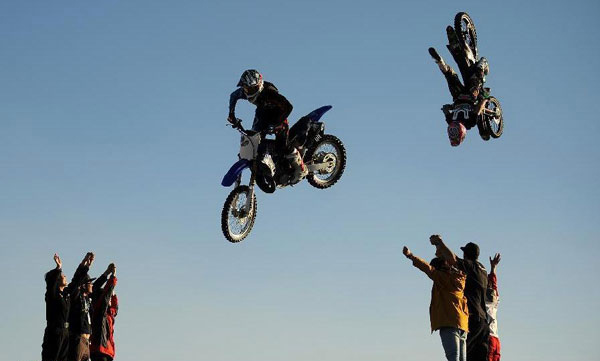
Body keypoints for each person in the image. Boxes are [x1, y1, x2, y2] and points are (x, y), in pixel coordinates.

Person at [228, 69, 307, 183]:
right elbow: (233, 96)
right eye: (246, 88)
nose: (248, 91)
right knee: (253, 140)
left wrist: (277, 124)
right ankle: (265, 164)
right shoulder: (244, 92)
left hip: (278, 115)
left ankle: (301, 168)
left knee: (282, 147)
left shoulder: (270, 93)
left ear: (259, 85)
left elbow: (288, 107)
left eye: (251, 88)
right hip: (262, 113)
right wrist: (231, 114)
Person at [402, 243, 469, 361]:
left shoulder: (442, 278)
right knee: (462, 359)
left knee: (453, 357)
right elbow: (450, 258)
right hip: (463, 324)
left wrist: (411, 256)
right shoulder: (459, 277)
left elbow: (427, 268)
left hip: (449, 322)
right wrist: (440, 250)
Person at [428, 23, 491, 146]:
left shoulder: (469, 123)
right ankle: (440, 62)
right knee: (450, 76)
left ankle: (482, 64)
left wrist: (484, 99)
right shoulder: (451, 120)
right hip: (457, 96)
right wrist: (447, 108)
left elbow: (478, 110)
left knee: (477, 78)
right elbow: (446, 110)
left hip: (469, 94)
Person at [430, 235, 489, 361]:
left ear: (466, 255)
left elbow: (453, 259)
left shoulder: (470, 267)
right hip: (484, 323)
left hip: (472, 319)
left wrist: (440, 243)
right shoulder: (483, 270)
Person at [42, 253, 93, 361]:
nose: (65, 276)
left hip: (65, 334)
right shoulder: (52, 295)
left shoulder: (66, 295)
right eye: (62, 275)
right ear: (56, 280)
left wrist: (85, 265)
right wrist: (58, 268)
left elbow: (76, 281)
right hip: (54, 333)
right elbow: (50, 284)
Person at [68, 253, 99, 361]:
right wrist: (86, 264)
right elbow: (75, 281)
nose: (92, 285)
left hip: (87, 341)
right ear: (83, 285)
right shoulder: (76, 296)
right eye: (90, 282)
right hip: (78, 339)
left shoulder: (88, 299)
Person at [90, 263, 118, 361]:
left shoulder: (110, 314)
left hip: (108, 351)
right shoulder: (99, 310)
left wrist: (113, 292)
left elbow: (115, 307)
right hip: (99, 350)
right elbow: (105, 296)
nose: (110, 299)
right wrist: (112, 276)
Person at [486, 253, 502, 361]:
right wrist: (493, 268)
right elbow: (493, 284)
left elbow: (492, 283)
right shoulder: (494, 299)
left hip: (489, 338)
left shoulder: (484, 300)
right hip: (496, 339)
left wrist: (493, 268)